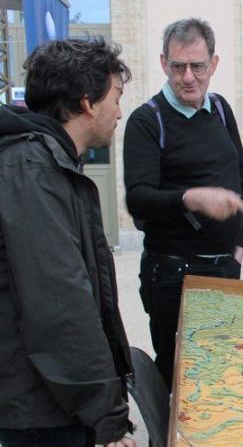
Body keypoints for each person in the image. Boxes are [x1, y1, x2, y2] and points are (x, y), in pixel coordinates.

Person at [0, 39, 135, 447]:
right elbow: (59, 305)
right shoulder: (32, 171)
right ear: (88, 103)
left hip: (53, 399)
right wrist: (107, 415)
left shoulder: (49, 162)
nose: (119, 111)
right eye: (115, 97)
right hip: (39, 409)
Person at [124, 18, 243, 389]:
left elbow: (240, 174)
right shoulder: (147, 121)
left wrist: (238, 244)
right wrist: (190, 198)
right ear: (164, 63)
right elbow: (138, 199)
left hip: (226, 269)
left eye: (198, 66)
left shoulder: (222, 110)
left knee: (220, 366)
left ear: (214, 64)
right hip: (174, 274)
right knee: (177, 372)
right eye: (178, 66)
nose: (188, 77)